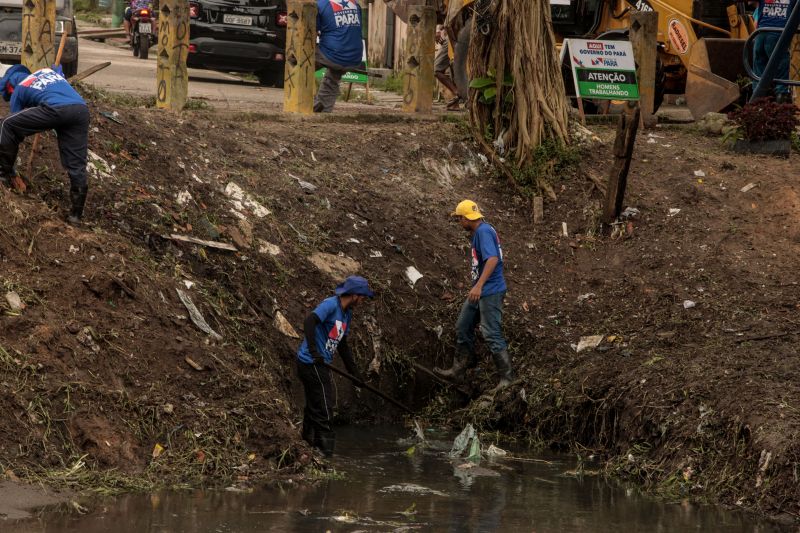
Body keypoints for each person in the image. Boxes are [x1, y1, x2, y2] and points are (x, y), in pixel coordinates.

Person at [435, 200, 514, 392]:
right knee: (463, 325)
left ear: (465, 218)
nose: (459, 223)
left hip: (490, 291)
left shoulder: (483, 232)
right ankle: (459, 367)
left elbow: (493, 259)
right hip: (480, 291)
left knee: (490, 332)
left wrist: (479, 285)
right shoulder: (480, 231)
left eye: (459, 219)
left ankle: (507, 379)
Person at [0, 64, 90, 224]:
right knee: (76, 164)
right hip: (80, 110)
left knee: (6, 124)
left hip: (55, 109)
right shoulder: (47, 73)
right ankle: (76, 215)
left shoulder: (20, 88)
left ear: (9, 86)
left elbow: (14, 129)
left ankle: (3, 175)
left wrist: (12, 170)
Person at [296, 275, 374, 456]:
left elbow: (342, 344)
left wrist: (355, 374)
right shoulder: (331, 305)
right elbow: (309, 321)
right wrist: (314, 352)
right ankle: (325, 454)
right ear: (354, 295)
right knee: (324, 406)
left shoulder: (347, 313)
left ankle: (307, 444)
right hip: (310, 362)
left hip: (320, 364)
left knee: (315, 405)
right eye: (362, 297)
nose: (363, 301)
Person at [314, 0, 363, 113]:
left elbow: (311, 33)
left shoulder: (319, 5)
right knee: (333, 75)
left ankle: (304, 101)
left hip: (332, 55)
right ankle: (322, 109)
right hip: (355, 57)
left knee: (300, 63)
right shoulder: (355, 4)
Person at [754, 0, 794, 101]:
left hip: (761, 32)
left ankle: (757, 99)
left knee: (759, 69)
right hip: (777, 33)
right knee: (781, 64)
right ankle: (781, 95)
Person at [434, 25, 462, 111]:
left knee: (437, 70)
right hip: (456, 37)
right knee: (452, 71)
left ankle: (457, 92)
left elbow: (447, 21)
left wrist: (439, 31)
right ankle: (454, 104)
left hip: (451, 38)